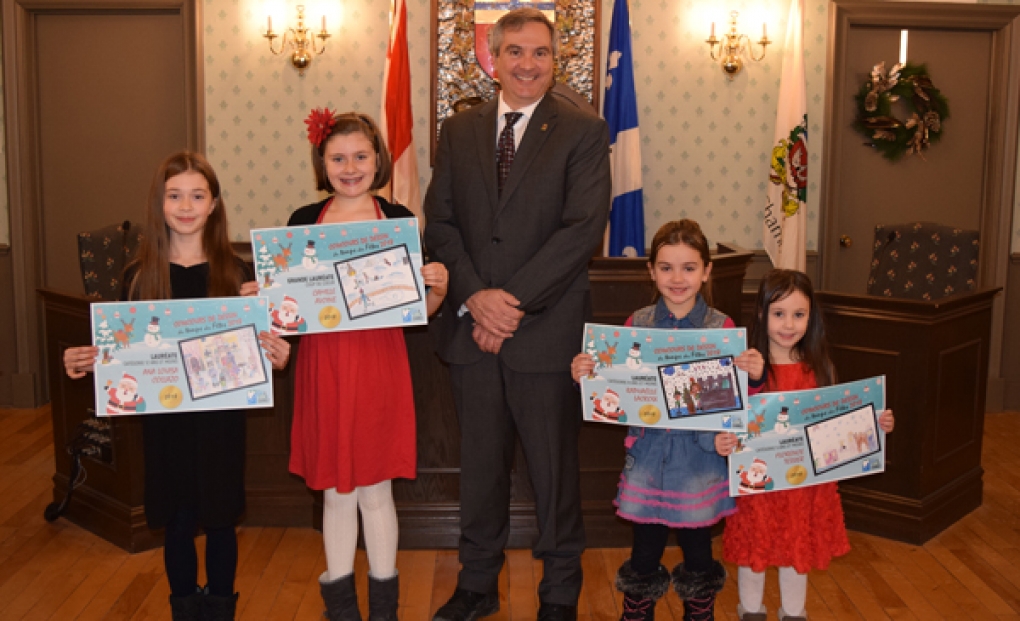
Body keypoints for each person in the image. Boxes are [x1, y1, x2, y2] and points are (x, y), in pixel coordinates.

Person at [423, 7, 611, 621]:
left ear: (554, 62)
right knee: (480, 471)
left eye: (540, 53)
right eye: (516, 52)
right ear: (493, 59)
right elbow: (440, 223)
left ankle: (559, 593)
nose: (528, 64)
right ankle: (476, 585)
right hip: (470, 331)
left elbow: (581, 231)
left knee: (555, 475)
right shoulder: (460, 131)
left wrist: (509, 304)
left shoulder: (583, 132)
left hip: (547, 334)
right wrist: (476, 297)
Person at [62, 151, 292, 621]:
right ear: (159, 203)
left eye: (197, 196)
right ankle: (184, 609)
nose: (186, 207)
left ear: (214, 204)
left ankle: (221, 608)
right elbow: (123, 357)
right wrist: (86, 360)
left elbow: (260, 350)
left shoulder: (239, 275)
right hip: (165, 426)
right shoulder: (138, 277)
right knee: (177, 520)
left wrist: (278, 354)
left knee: (221, 519)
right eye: (174, 196)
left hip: (221, 423)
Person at [286, 109, 448, 621]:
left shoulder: (399, 221)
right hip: (323, 365)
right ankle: (341, 612)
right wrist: (262, 297)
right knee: (336, 491)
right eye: (338, 158)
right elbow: (288, 308)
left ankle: (383, 612)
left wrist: (438, 290)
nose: (350, 167)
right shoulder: (301, 221)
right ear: (322, 163)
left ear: (378, 160)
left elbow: (418, 311)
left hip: (379, 362)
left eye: (360, 156)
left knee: (376, 489)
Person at [571, 220, 760, 621]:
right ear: (652, 271)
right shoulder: (636, 324)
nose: (677, 278)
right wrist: (586, 374)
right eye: (666, 267)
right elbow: (612, 390)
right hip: (649, 458)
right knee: (644, 550)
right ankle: (637, 613)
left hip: (699, 463)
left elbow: (739, 405)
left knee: (698, 552)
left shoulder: (722, 328)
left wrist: (754, 376)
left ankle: (699, 613)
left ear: (706, 271)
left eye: (689, 268)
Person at [715, 269, 895, 621]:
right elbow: (730, 419)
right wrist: (724, 440)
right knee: (755, 547)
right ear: (762, 314)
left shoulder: (820, 368)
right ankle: (750, 611)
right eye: (779, 313)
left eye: (799, 314)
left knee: (797, 550)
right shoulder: (747, 367)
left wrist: (875, 424)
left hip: (804, 486)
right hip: (759, 485)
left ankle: (794, 613)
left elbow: (839, 423)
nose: (789, 324)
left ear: (811, 316)